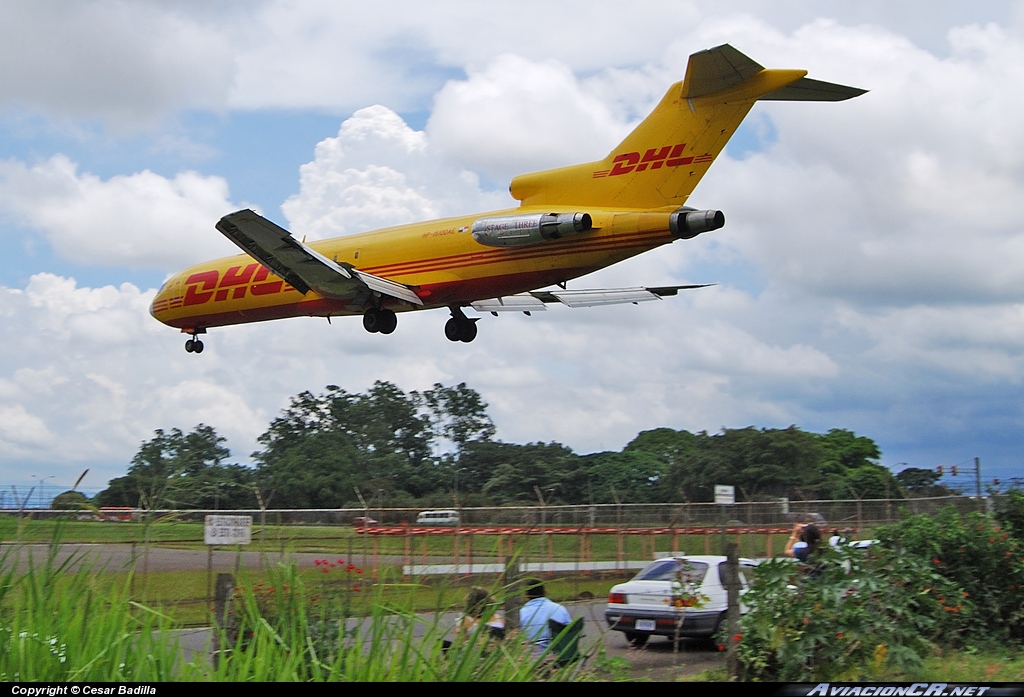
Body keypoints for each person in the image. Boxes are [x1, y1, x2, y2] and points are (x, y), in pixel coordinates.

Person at [518, 579, 571, 655]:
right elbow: (570, 631)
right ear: (545, 591)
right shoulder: (559, 608)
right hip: (558, 656)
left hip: (530, 658)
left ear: (526, 594)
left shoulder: (521, 613)